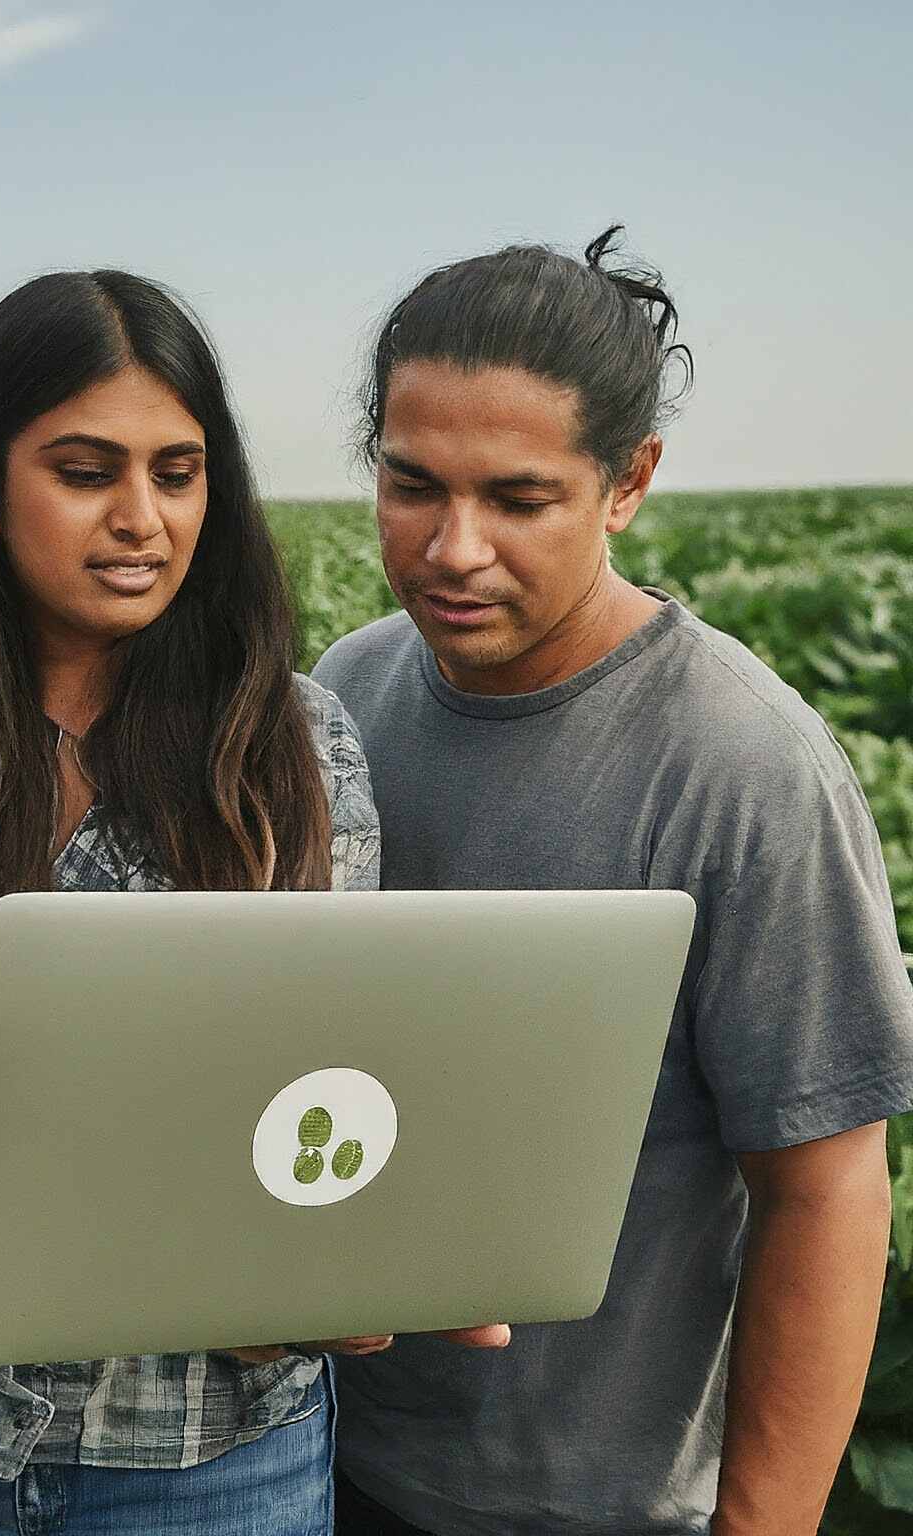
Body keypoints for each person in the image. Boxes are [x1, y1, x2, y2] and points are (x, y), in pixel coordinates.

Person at [0, 268, 414, 1535]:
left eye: (177, 474)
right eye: (85, 470)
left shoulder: (297, 744)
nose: (141, 518)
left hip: (215, 1454)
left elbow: (335, 1087)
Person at [313, 227, 913, 1536]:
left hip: (598, 1507)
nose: (453, 547)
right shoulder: (347, 697)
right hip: (331, 1471)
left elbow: (825, 1193)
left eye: (519, 499)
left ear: (628, 482)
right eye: (413, 485)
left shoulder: (744, 768)